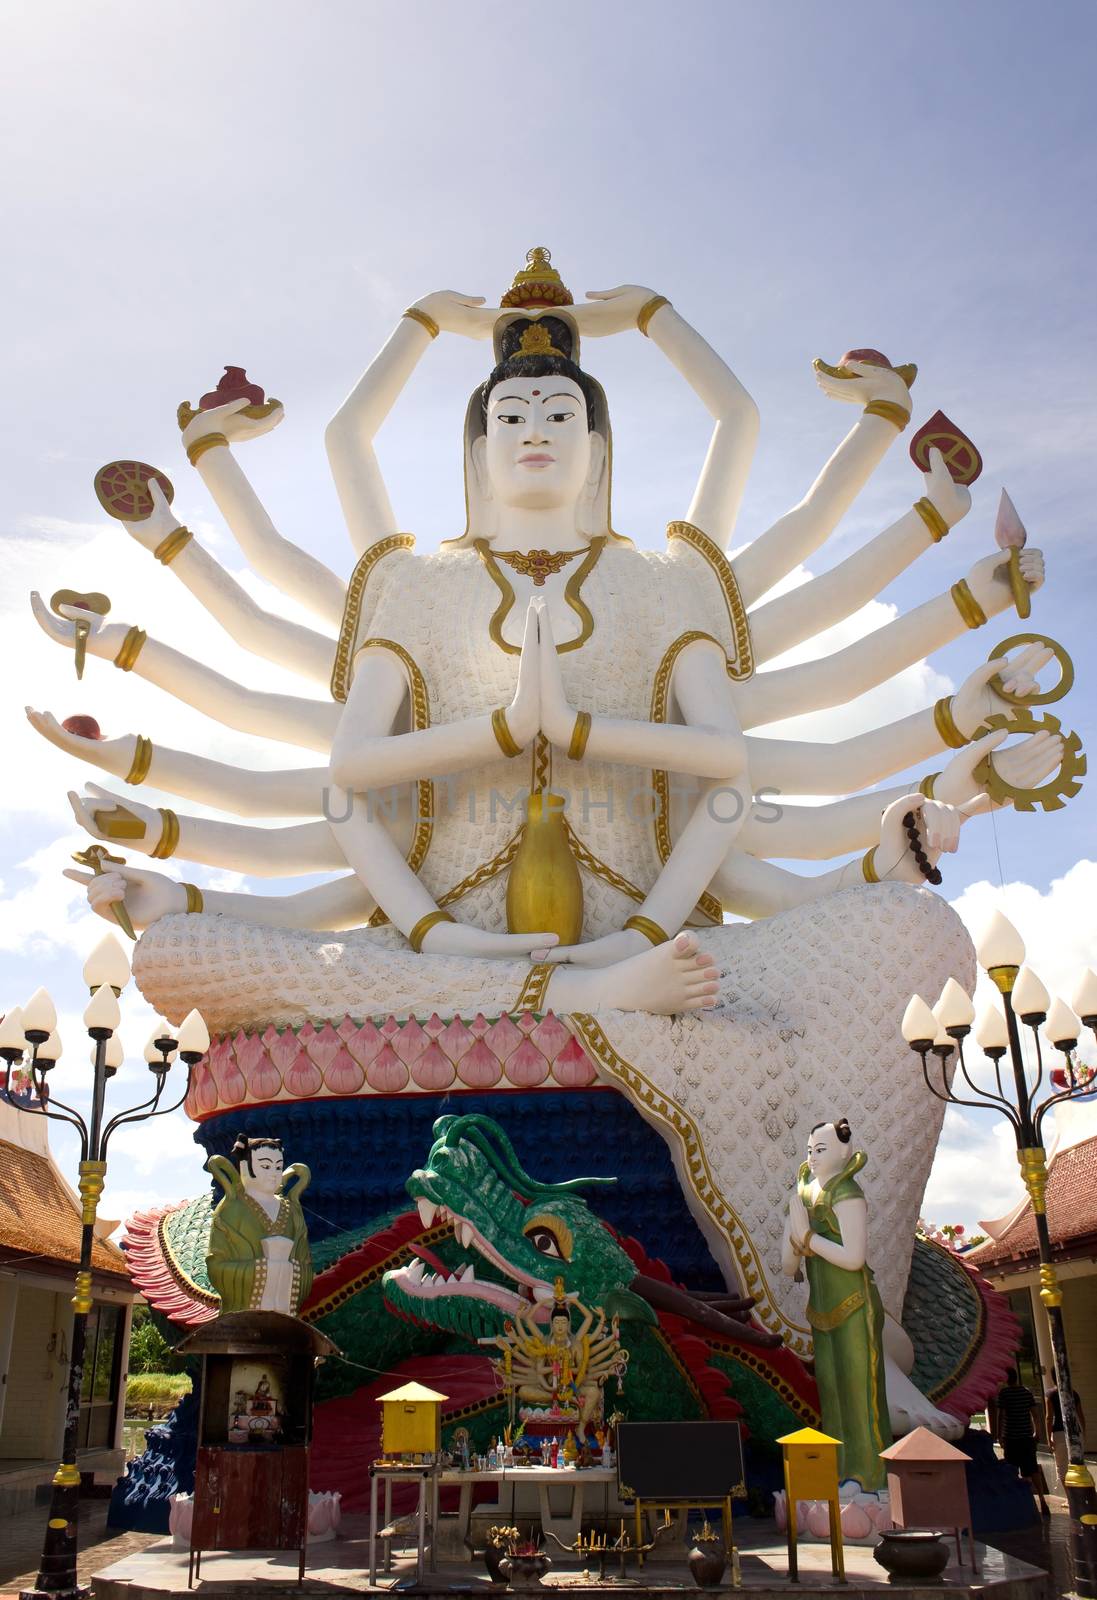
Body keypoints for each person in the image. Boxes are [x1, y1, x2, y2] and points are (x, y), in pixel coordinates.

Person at [996, 1368, 1049, 1514]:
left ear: (1006, 1379)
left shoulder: (1004, 1394)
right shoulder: (1026, 1392)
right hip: (1026, 1437)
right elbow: (1035, 1414)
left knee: (1012, 1469)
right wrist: (1037, 1432)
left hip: (1011, 1437)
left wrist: (999, 1436)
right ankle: (1042, 1499)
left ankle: (1020, 1502)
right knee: (1032, 1469)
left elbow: (1001, 1416)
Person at [1046, 1383, 1086, 1494]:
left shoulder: (1051, 1395)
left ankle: (1070, 1497)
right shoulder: (1073, 1393)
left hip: (1059, 1433)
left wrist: (1049, 1438)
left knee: (1062, 1467)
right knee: (1077, 1464)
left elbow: (1049, 1417)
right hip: (1075, 1431)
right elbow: (1081, 1415)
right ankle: (1081, 1495)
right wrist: (1083, 1432)